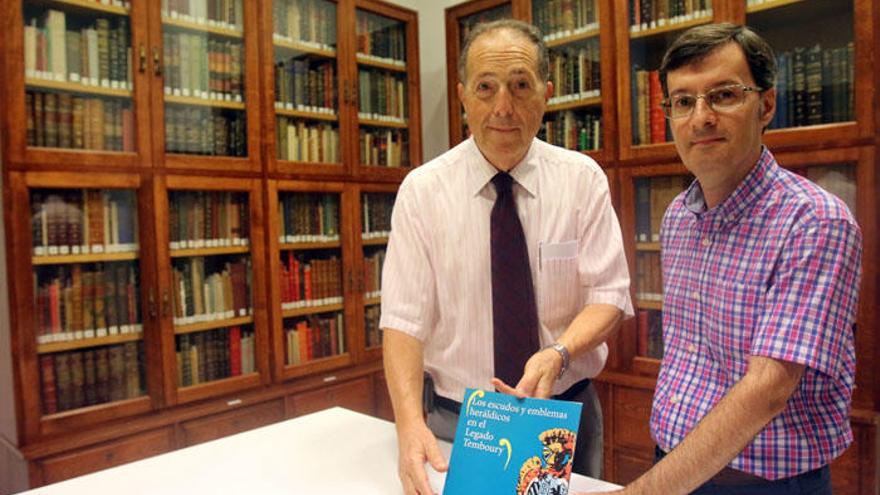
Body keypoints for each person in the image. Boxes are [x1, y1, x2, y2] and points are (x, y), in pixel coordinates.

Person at [579, 23, 862, 495]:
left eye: (724, 95)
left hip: (761, 484)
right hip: (677, 462)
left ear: (765, 105)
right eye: (683, 101)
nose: (701, 117)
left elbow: (768, 389)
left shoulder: (815, 221)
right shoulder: (679, 217)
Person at [380, 19, 633, 495]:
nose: (503, 107)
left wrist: (559, 353)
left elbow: (610, 295)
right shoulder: (423, 191)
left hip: (562, 417)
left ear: (547, 93)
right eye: (485, 87)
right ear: (462, 96)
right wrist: (408, 423)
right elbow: (402, 320)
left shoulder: (582, 180)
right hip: (456, 422)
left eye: (520, 86)